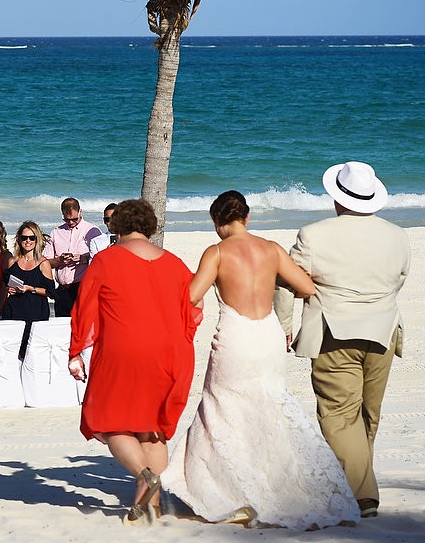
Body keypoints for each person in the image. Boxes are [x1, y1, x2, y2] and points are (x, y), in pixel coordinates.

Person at [163, 191, 358, 528]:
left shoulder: (218, 252)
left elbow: (192, 294)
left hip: (236, 335)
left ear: (217, 221)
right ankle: (280, 485)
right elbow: (306, 287)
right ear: (247, 217)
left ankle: (230, 488)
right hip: (267, 334)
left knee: (222, 407)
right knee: (268, 403)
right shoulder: (271, 249)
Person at [276, 162, 410, 519]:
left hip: (335, 333)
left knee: (337, 415)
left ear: (336, 198)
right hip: (383, 331)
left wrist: (283, 325)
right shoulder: (397, 234)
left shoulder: (313, 234)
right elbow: (399, 280)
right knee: (368, 413)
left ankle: (364, 497)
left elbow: (288, 282)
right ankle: (358, 485)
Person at [67, 199, 197, 526]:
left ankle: (143, 475)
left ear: (118, 225)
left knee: (107, 421)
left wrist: (76, 351)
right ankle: (149, 508)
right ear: (149, 225)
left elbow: (84, 309)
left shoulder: (105, 260)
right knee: (152, 429)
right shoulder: (175, 263)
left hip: (123, 350)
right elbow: (192, 308)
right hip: (169, 353)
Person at [0, 221, 56, 356]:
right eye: (24, 238)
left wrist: (31, 289)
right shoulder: (12, 261)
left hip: (35, 311)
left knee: (33, 353)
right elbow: (6, 283)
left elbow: (51, 292)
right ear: (19, 239)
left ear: (37, 240)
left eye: (32, 238)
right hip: (13, 310)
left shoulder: (43, 263)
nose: (28, 241)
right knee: (11, 351)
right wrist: (11, 289)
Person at [45, 198, 105, 317]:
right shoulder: (56, 232)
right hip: (62, 290)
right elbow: (45, 262)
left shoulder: (92, 231)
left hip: (82, 288)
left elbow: (101, 261)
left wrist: (83, 259)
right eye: (67, 220)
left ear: (80, 212)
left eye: (74, 219)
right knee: (61, 330)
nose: (71, 222)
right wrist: (59, 261)